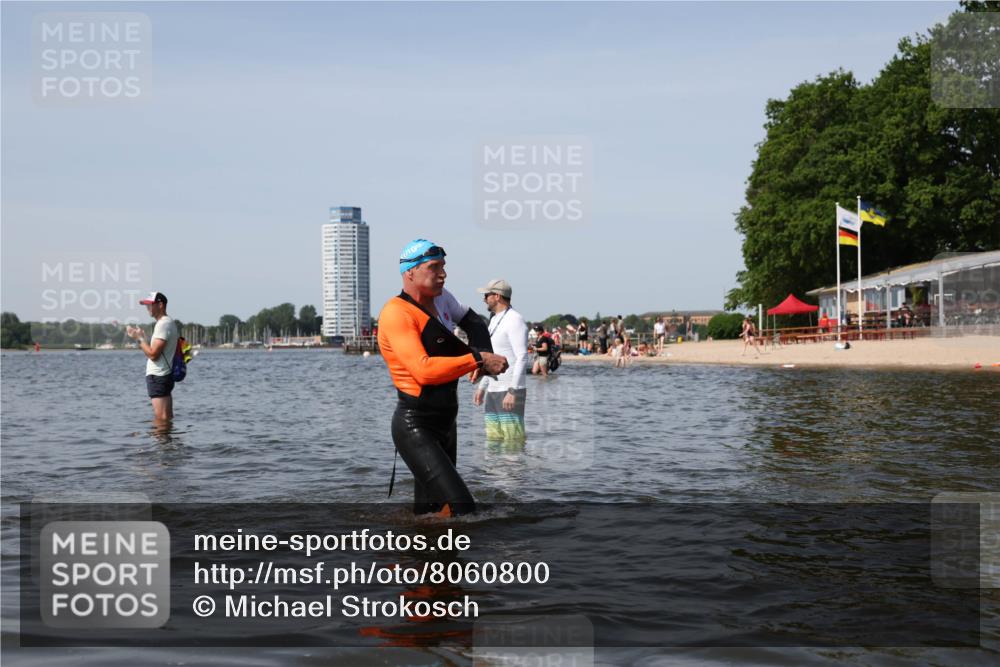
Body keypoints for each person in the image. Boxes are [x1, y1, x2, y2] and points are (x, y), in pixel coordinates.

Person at [377, 240, 508, 517]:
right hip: (416, 426)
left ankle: (417, 545)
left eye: (443, 266)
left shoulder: (443, 298)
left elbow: (474, 321)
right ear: (410, 272)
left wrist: (483, 353)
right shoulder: (396, 313)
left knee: (431, 513)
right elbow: (423, 371)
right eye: (434, 267)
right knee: (464, 510)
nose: (443, 274)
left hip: (447, 423)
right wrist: (477, 359)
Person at [472, 279, 528, 442]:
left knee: (512, 441)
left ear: (497, 296)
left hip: (509, 389)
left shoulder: (515, 319)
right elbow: (492, 357)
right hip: (493, 388)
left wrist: (513, 391)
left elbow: (522, 357)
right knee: (493, 440)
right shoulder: (494, 320)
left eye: (486, 295)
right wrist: (482, 387)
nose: (484, 299)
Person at [127, 291, 178, 424]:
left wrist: (139, 338)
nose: (147, 308)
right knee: (166, 418)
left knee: (161, 419)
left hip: (158, 376)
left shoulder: (163, 324)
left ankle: (160, 438)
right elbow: (157, 350)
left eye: (150, 304)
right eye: (146, 305)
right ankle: (166, 438)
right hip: (163, 375)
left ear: (160, 305)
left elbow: (153, 354)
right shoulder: (167, 322)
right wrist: (143, 339)